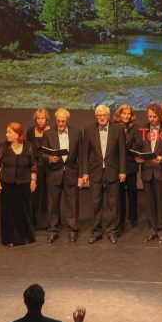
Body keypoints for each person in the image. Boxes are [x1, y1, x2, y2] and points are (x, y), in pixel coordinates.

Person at [82, 105, 126, 244]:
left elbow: (122, 152)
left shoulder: (118, 129)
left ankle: (111, 231)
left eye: (104, 115)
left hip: (112, 171)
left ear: (108, 116)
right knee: (96, 203)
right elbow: (85, 153)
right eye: (99, 115)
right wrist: (84, 172)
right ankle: (96, 232)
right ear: (96, 117)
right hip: (95, 172)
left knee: (113, 203)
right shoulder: (89, 130)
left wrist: (122, 170)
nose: (101, 118)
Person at [41, 108, 84, 243]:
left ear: (68, 121)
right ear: (55, 120)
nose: (61, 124)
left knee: (72, 203)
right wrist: (49, 158)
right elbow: (42, 153)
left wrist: (81, 175)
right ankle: (53, 230)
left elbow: (81, 155)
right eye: (59, 121)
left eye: (63, 121)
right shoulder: (48, 133)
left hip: (71, 172)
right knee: (53, 203)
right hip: (54, 173)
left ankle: (72, 230)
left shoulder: (76, 132)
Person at [136, 104, 162, 243]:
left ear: (160, 116)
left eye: (154, 116)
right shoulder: (142, 129)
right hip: (147, 172)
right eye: (150, 116)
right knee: (150, 203)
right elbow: (138, 147)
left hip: (161, 171)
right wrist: (138, 158)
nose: (152, 119)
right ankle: (152, 230)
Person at [0, 122, 38, 247]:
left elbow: (33, 165)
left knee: (24, 210)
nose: (6, 134)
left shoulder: (28, 146)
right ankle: (9, 238)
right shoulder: (3, 146)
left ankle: (25, 237)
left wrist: (34, 180)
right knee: (9, 211)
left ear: (18, 134)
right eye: (7, 131)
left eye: (9, 132)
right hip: (7, 183)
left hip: (24, 182)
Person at [115, 104, 139, 228]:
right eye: (124, 113)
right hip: (117, 166)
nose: (126, 116)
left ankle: (133, 218)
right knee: (119, 194)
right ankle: (121, 219)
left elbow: (137, 146)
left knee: (132, 193)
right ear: (120, 114)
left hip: (130, 165)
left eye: (129, 114)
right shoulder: (114, 127)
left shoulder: (136, 129)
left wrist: (125, 146)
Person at [28, 109, 51, 229]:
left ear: (47, 119)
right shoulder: (31, 131)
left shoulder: (52, 131)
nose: (41, 121)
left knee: (47, 194)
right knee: (34, 194)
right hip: (35, 166)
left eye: (43, 118)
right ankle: (34, 221)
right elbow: (28, 148)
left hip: (48, 167)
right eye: (38, 118)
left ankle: (47, 222)